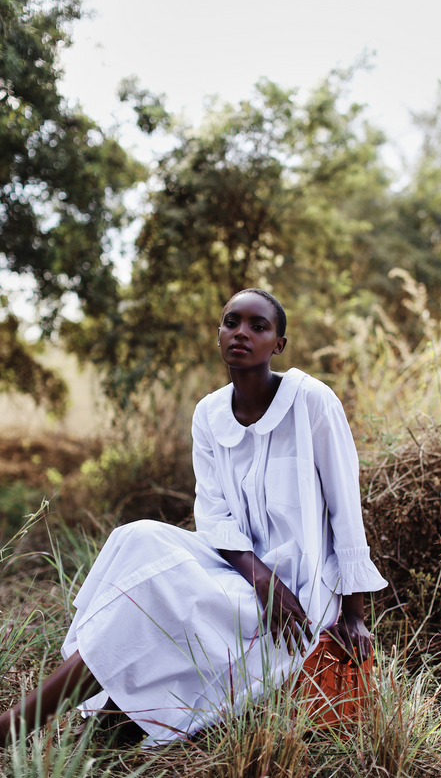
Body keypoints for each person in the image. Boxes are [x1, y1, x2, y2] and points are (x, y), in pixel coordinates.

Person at [0, 289, 387, 747]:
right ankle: (97, 720)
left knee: (158, 591)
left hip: (301, 593)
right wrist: (260, 577)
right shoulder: (208, 414)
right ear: (219, 334)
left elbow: (347, 507)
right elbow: (214, 514)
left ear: (278, 344)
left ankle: (15, 728)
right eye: (231, 322)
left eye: (258, 326)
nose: (241, 332)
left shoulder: (311, 403)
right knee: (137, 536)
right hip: (241, 568)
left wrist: (355, 612)